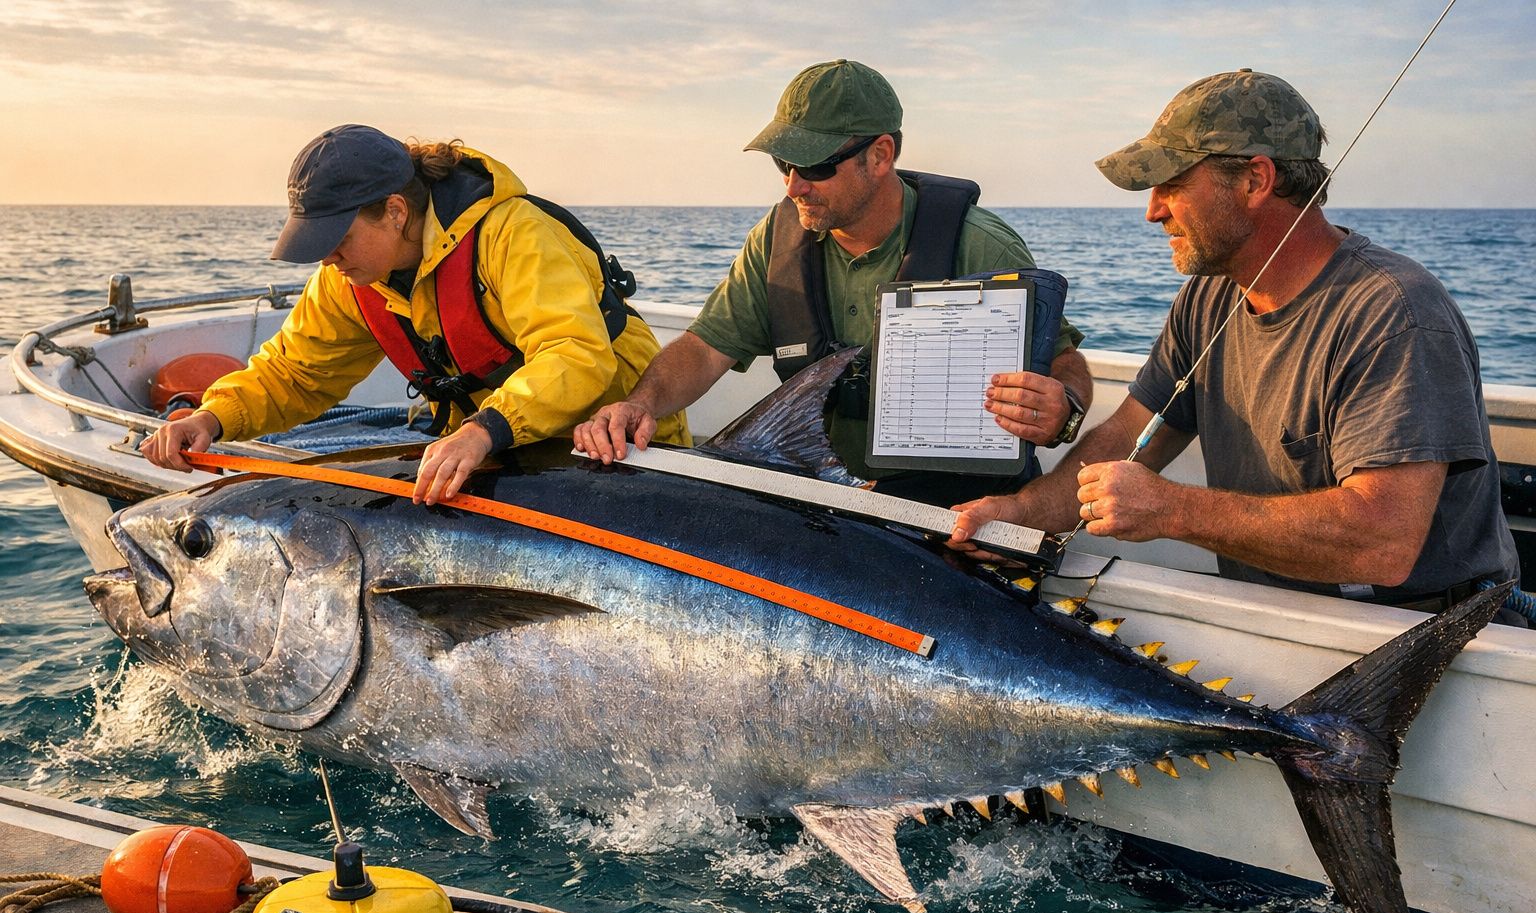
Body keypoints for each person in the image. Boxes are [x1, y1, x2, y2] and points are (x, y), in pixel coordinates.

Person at [951, 70, 1520, 613]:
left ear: (1255, 181)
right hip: (1263, 613)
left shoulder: (1394, 311)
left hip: (1411, 631)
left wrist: (1174, 510)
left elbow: (1383, 543)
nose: (1152, 212)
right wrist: (1015, 514)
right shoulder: (1207, 298)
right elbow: (1125, 441)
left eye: (1172, 185)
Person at [574, 60, 1091, 507]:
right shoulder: (774, 244)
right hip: (826, 499)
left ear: (881, 155)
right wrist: (640, 403)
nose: (793, 185)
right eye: (784, 163)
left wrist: (1062, 408)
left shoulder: (979, 247)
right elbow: (705, 348)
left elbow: (1065, 362)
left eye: (817, 166)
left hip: (960, 507)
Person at [140, 124, 688, 503]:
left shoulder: (513, 234)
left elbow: (575, 354)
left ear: (395, 211)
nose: (328, 255)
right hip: (499, 453)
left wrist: (482, 431)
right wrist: (212, 417)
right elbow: (295, 373)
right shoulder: (350, 278)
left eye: (338, 237)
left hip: (623, 447)